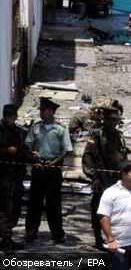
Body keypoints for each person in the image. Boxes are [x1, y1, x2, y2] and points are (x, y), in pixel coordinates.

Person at [25, 97, 73, 244]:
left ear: (52, 112)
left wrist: (54, 162)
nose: (41, 113)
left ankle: (57, 233)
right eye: (41, 110)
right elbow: (28, 144)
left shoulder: (60, 129)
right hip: (39, 168)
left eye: (44, 110)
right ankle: (31, 231)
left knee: (53, 202)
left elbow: (66, 149)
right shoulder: (36, 128)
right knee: (34, 201)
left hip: (54, 169)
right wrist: (34, 154)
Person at [83, 107, 130, 250]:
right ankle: (98, 239)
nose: (111, 123)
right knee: (98, 209)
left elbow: (123, 156)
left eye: (114, 120)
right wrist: (94, 177)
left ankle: (114, 238)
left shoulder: (119, 136)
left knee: (117, 210)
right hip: (101, 179)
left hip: (116, 179)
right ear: (104, 120)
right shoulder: (96, 134)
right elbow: (88, 156)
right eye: (109, 120)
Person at [0, 104, 31, 254]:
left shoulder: (19, 132)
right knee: (4, 208)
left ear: (15, 116)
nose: (8, 118)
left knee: (15, 207)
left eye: (10, 115)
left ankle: (8, 238)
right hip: (3, 176)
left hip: (16, 176)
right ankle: (6, 240)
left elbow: (24, 149)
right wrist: (6, 150)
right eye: (6, 115)